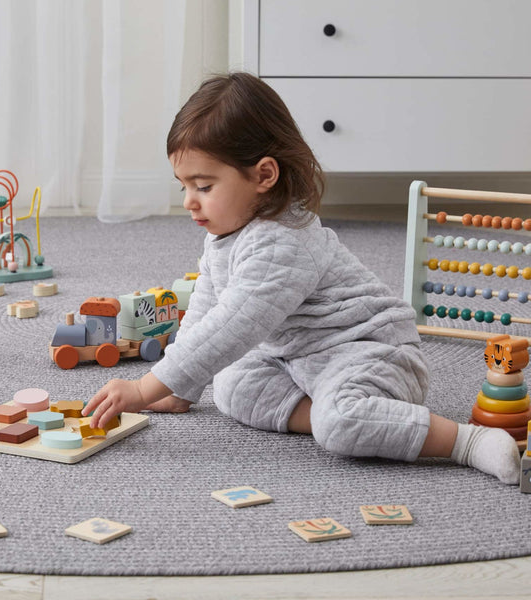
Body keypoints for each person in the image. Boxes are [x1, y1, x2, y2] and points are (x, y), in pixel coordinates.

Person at [83, 72, 520, 484]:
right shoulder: (224, 235)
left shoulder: (283, 244)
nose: (188, 202)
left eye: (204, 186)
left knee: (338, 424)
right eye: (184, 186)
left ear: (264, 175)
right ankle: (351, 414)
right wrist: (180, 386)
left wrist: (143, 388)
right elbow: (206, 310)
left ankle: (464, 442)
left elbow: (230, 327)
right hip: (297, 359)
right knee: (229, 385)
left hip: (370, 351)